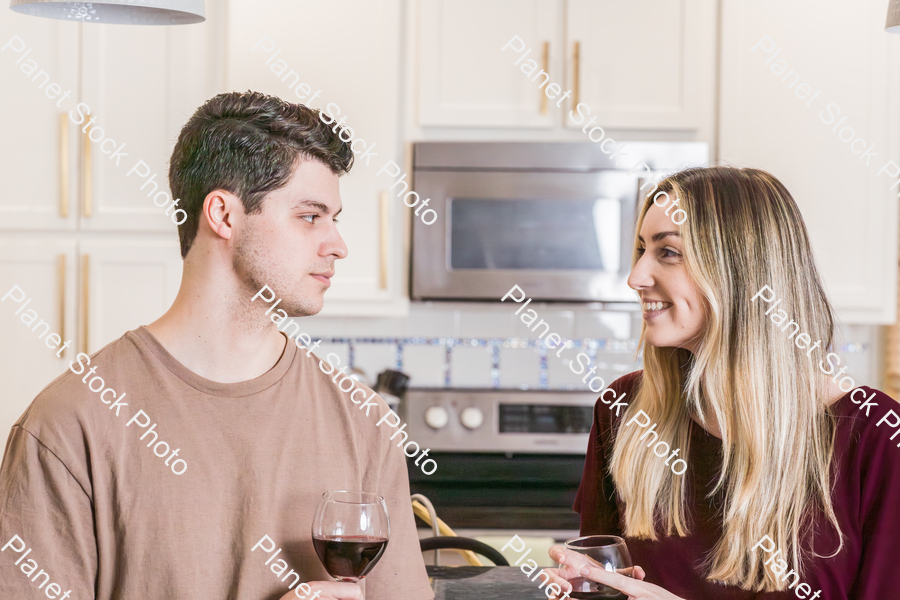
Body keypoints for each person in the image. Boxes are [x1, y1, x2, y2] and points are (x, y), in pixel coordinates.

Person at [0, 91, 433, 600]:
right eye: (310, 216)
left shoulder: (363, 423)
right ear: (224, 216)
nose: (338, 244)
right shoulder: (70, 424)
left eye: (335, 218)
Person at [543, 167, 900, 599]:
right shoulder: (623, 410)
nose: (635, 277)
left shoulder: (876, 435)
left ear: (742, 272)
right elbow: (603, 581)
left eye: (668, 252)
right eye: (641, 249)